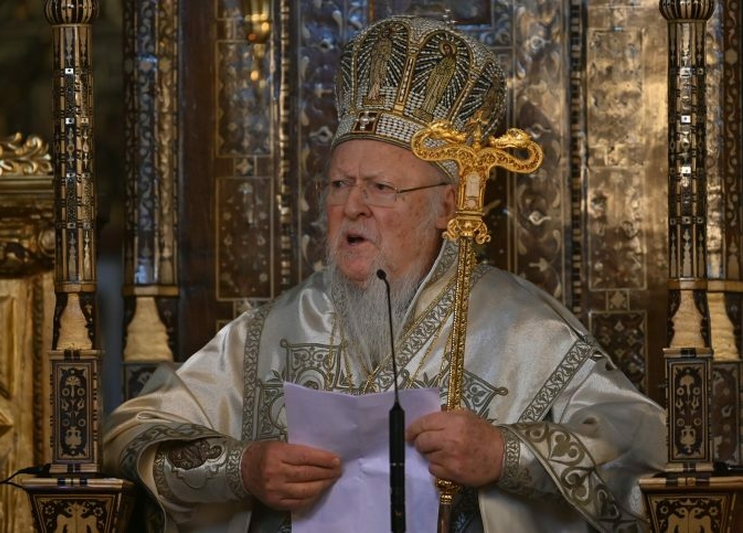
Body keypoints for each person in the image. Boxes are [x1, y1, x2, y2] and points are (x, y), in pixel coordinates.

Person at [104, 15, 666, 533]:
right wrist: (243, 469)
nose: (352, 207)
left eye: (380, 188)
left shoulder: (522, 330)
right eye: (339, 185)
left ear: (447, 206)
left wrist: (505, 454)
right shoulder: (274, 329)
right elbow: (130, 433)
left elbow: (647, 450)